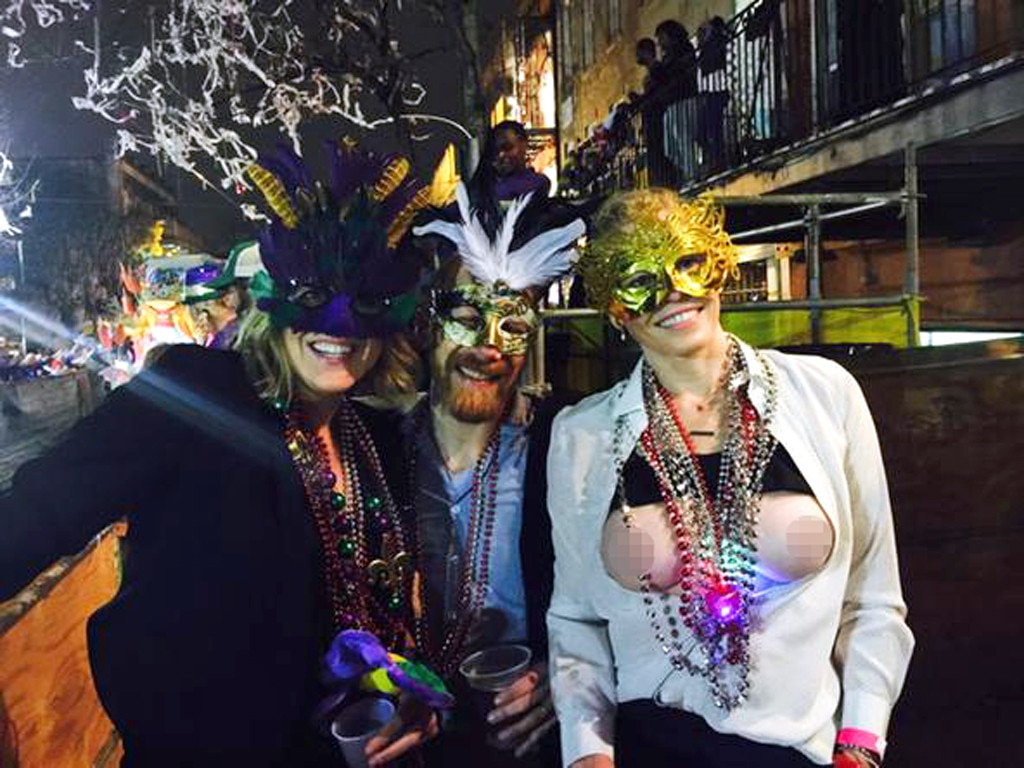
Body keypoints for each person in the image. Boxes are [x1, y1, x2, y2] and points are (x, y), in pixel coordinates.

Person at [0, 142, 440, 767]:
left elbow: (376, 611)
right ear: (272, 298)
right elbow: (43, 509)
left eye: (366, 303)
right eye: (313, 295)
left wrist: (407, 695)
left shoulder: (374, 439)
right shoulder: (198, 395)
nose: (339, 329)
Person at [547, 189, 914, 768]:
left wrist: (861, 743)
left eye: (686, 262)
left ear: (717, 264)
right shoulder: (582, 436)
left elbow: (873, 601)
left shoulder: (824, 394)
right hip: (649, 747)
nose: (671, 291)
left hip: (801, 751)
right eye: (637, 278)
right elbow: (574, 618)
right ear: (615, 310)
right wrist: (587, 752)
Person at [409, 183, 588, 767]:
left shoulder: (565, 446)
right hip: (407, 733)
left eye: (511, 325)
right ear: (430, 324)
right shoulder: (374, 444)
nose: (487, 347)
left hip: (519, 736)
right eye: (465, 318)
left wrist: (564, 674)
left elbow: (614, 600)